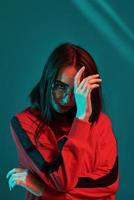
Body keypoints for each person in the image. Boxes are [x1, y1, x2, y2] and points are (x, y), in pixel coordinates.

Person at [6, 43, 119, 200]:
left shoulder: (101, 123)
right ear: (47, 80)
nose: (67, 98)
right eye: (60, 86)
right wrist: (81, 120)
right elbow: (63, 181)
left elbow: (108, 185)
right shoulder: (24, 123)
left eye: (76, 91)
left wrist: (45, 191)